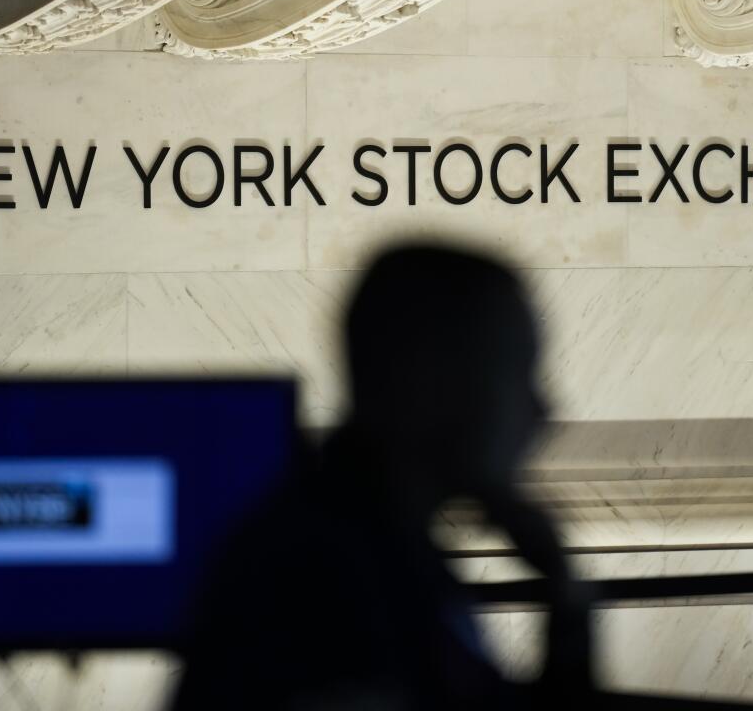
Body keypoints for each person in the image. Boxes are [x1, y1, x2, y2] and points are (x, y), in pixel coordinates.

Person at [173, 243, 592, 709]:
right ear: (428, 381)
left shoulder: (386, 551)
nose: (544, 410)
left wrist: (566, 603)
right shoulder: (323, 585)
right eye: (515, 371)